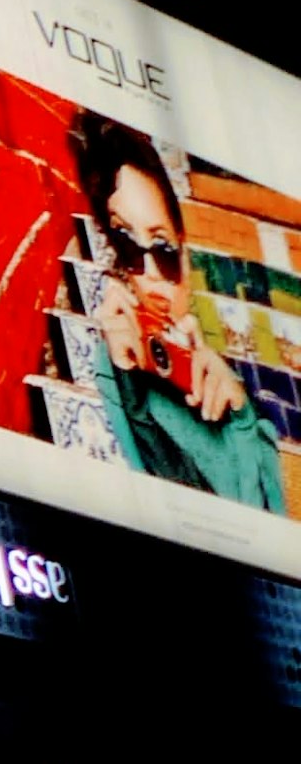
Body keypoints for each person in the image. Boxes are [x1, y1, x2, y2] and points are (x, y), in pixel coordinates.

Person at [71, 113, 284, 511]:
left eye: (164, 249)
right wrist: (126, 384)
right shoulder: (116, 364)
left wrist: (241, 422)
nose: (151, 275)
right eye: (130, 248)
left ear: (183, 247)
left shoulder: (230, 362)